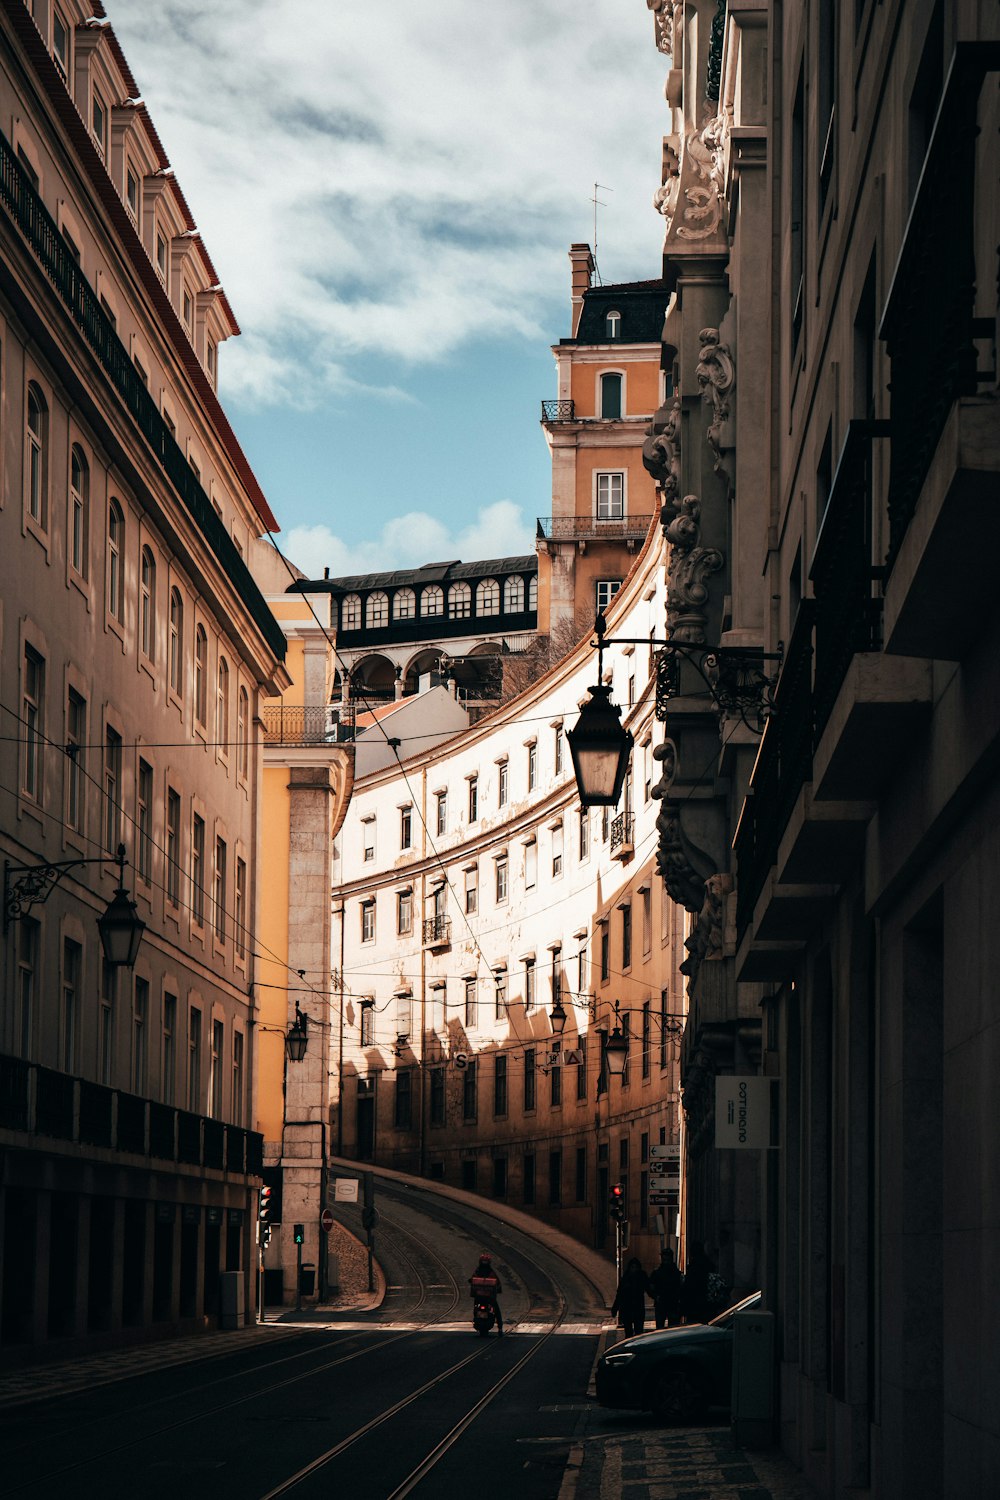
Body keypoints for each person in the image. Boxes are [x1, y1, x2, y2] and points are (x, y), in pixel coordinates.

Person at [611, 1256, 649, 1338]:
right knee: (628, 1332)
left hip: (638, 1308)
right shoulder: (626, 1278)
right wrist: (615, 1308)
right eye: (632, 1267)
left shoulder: (642, 1277)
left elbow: (649, 1289)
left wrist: (656, 1296)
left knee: (638, 1331)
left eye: (636, 1267)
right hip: (627, 1308)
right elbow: (620, 1294)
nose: (634, 1269)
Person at [647, 1247, 683, 1329]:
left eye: (667, 1259)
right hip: (664, 1303)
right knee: (665, 1328)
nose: (666, 1262)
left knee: (670, 1328)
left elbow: (680, 1288)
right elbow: (650, 1288)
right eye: (664, 1260)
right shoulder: (658, 1273)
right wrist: (656, 1296)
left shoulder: (675, 1273)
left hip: (671, 1303)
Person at [469, 1252, 503, 1335]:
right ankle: (500, 1328)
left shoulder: (477, 1271)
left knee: (475, 1308)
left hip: (479, 1297)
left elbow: (472, 1279)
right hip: (489, 1298)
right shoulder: (491, 1272)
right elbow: (497, 1282)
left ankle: (476, 1318)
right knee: (497, 1311)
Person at [681, 1240, 713, 1323]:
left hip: (694, 1305)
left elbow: (688, 1288)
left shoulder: (693, 1268)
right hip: (706, 1305)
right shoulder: (708, 1265)